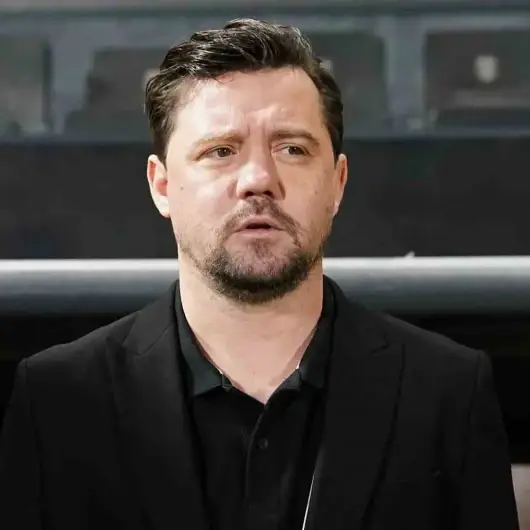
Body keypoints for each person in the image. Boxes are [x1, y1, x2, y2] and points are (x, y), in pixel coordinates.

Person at [0, 18, 519, 530]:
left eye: (292, 149)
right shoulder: (57, 403)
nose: (258, 179)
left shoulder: (447, 394)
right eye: (221, 151)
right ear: (162, 186)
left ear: (337, 183)